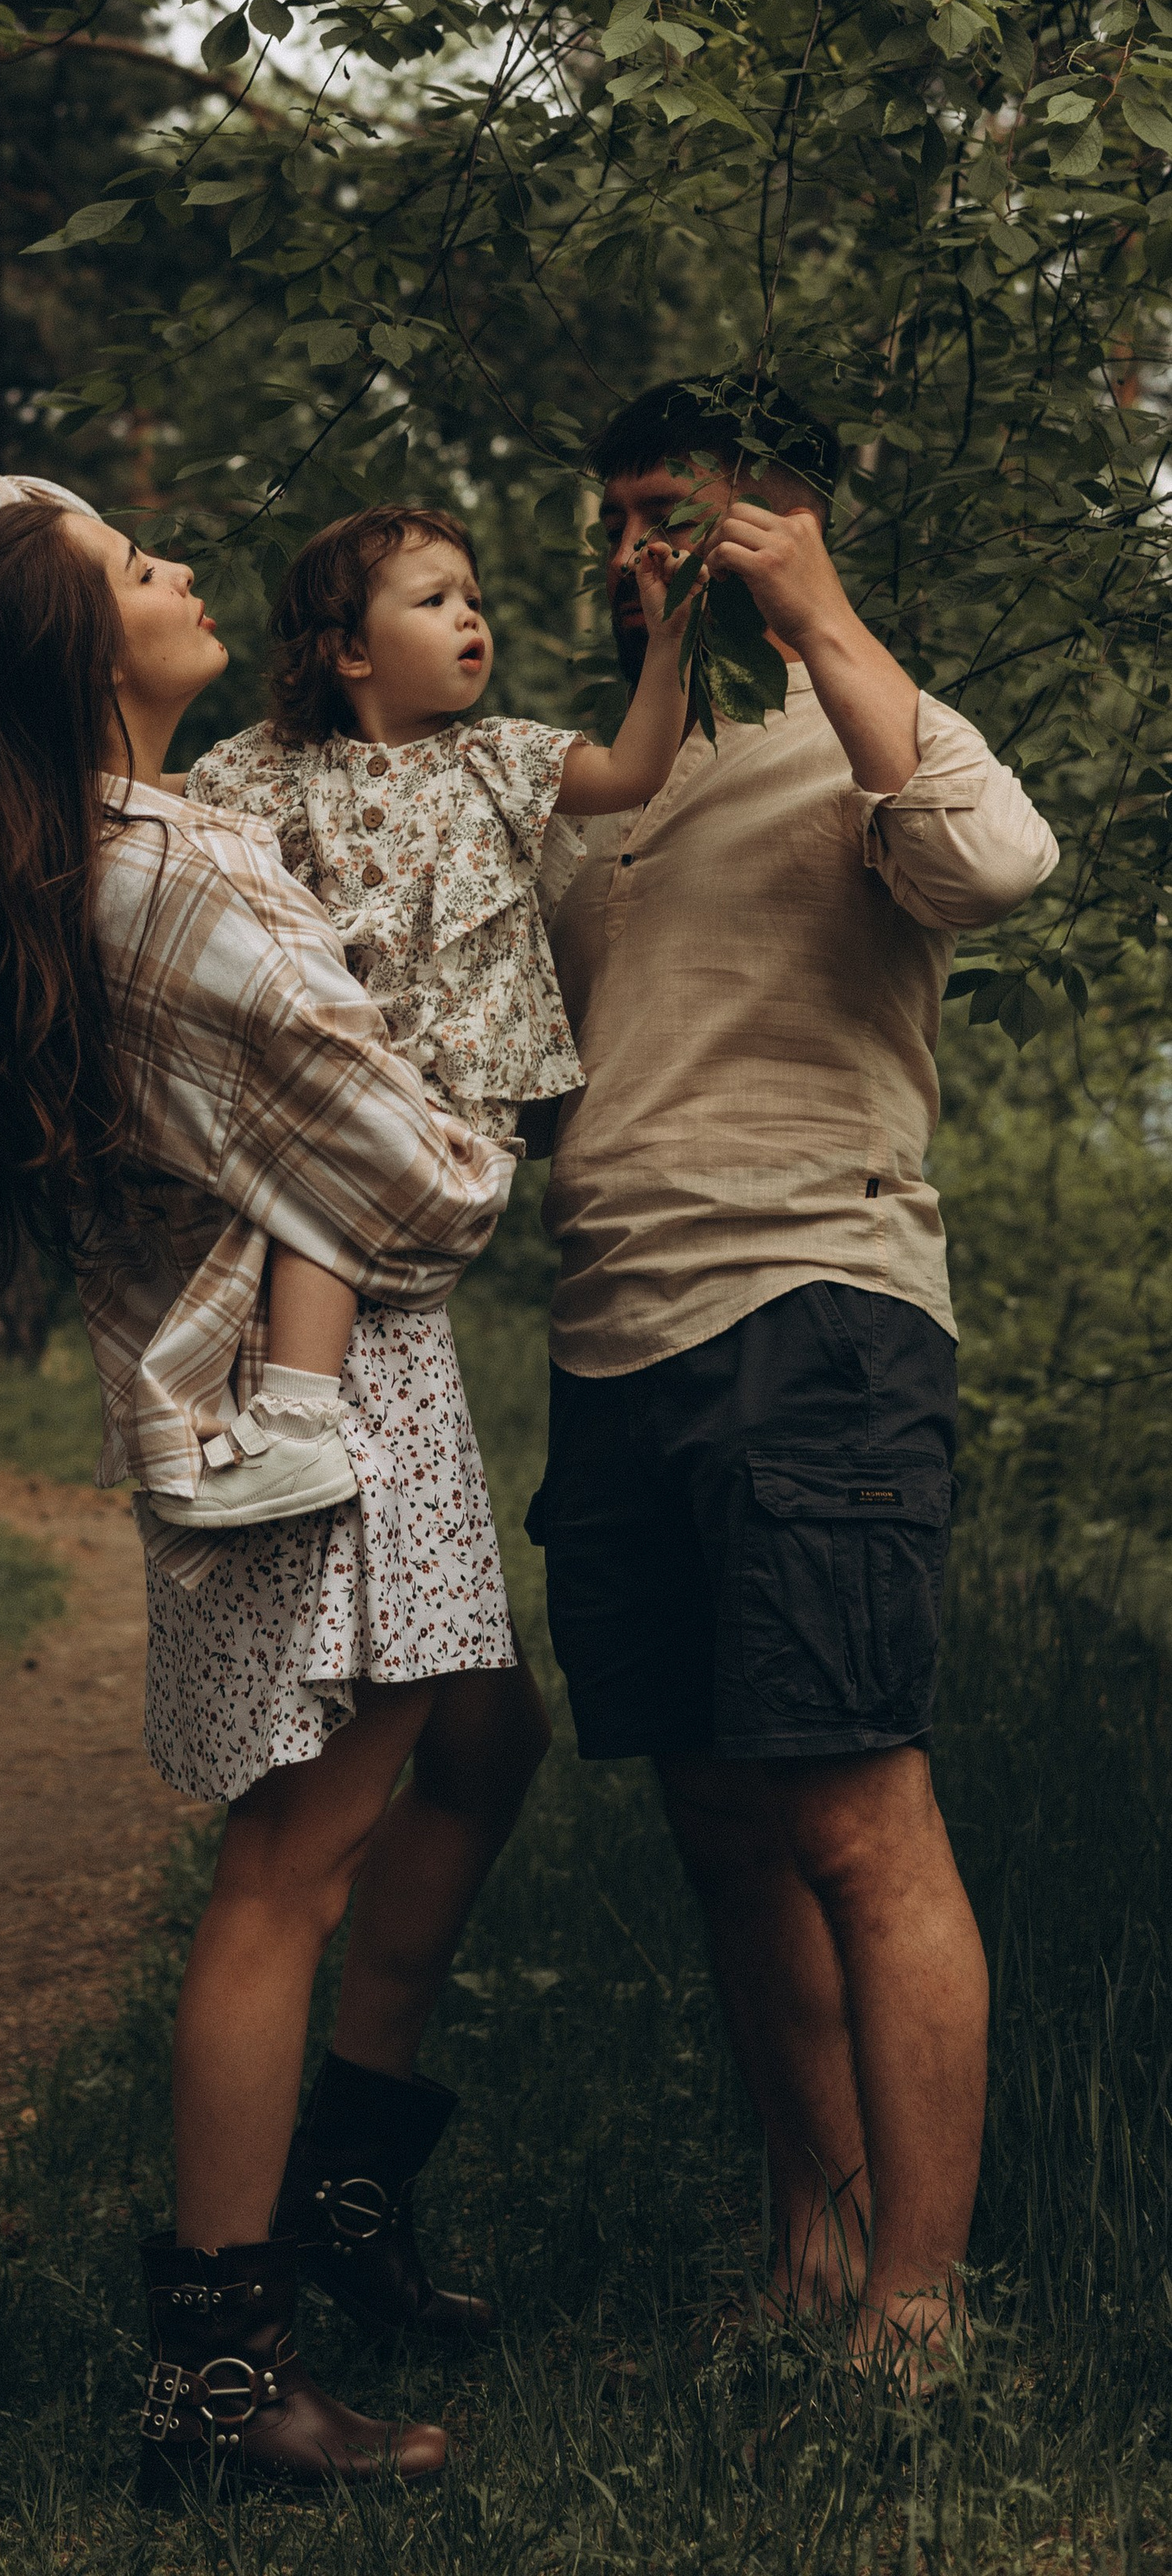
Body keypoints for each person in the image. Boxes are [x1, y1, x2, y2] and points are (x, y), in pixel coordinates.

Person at [0, 497, 552, 2502]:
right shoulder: (169, 876)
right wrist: (470, 1148)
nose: (175, 570)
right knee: (288, 1859)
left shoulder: (65, 841)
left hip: (324, 1411)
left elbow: (11, 577)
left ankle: (319, 2217)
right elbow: (427, 1174)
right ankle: (218, 2363)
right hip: (311, 1438)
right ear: (83, 648)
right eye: (137, 568)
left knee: (451, 1755)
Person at [529, 375, 1059, 2381]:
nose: (637, 549)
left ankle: (918, 2316)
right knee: (719, 1816)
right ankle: (812, 2253)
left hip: (813, 1309)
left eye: (678, 513)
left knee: (849, 1806)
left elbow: (995, 868)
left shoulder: (868, 736)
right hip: (610, 1334)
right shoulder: (602, 782)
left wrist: (820, 618)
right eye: (621, 520)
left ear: (780, 519)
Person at [0, 482, 690, 1543]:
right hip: (350, 1159)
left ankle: (294, 1417)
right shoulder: (250, 782)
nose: (471, 619)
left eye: (473, 599)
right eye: (435, 599)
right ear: (349, 651)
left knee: (447, 1670)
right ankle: (297, 1416)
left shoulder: (498, 757)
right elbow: (129, 784)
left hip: (447, 1085)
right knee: (310, 1218)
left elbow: (637, 768)